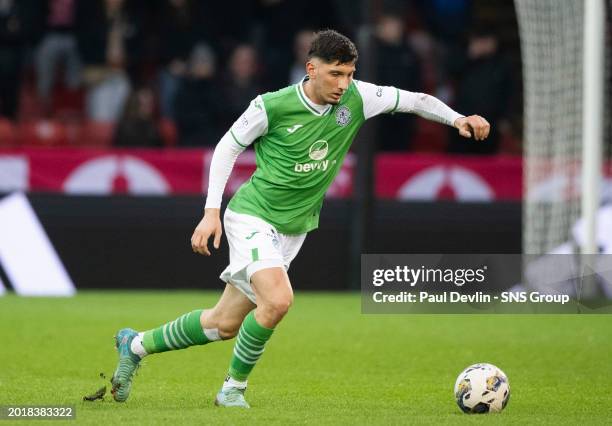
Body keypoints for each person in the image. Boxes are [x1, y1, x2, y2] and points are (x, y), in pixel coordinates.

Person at [109, 29, 489, 408]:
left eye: (350, 74)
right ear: (311, 69)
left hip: (293, 229)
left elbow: (415, 100)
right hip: (252, 217)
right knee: (277, 301)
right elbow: (228, 147)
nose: (344, 84)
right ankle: (232, 390)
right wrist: (211, 213)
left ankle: (136, 344)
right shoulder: (271, 106)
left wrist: (457, 119)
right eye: (335, 74)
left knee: (223, 323)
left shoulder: (357, 98)